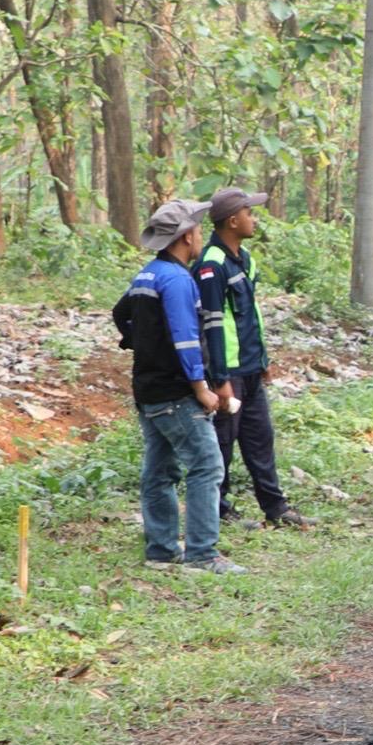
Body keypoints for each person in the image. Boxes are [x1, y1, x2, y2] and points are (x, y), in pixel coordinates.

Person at [115, 198, 242, 575]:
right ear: (187, 236)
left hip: (147, 389)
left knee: (159, 470)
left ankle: (161, 550)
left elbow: (120, 314)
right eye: (198, 229)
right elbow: (187, 340)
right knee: (207, 464)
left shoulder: (146, 275)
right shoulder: (177, 280)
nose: (201, 235)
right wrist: (201, 386)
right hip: (174, 392)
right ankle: (203, 553)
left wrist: (143, 344)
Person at [195, 186, 311, 531]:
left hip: (250, 367)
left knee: (260, 436)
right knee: (223, 443)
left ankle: (276, 508)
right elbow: (212, 324)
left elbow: (250, 316)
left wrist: (262, 359)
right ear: (232, 220)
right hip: (227, 371)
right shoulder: (211, 265)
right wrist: (220, 379)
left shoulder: (246, 260)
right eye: (249, 213)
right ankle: (218, 510)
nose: (254, 219)